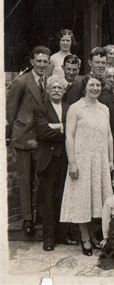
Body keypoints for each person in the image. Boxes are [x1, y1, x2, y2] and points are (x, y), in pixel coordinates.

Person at [60, 74, 114, 256]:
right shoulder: (76, 108)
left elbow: (109, 136)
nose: (95, 88)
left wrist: (111, 160)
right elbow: (69, 136)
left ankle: (92, 235)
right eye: (91, 85)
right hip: (82, 160)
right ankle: (84, 238)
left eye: (98, 85)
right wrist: (72, 161)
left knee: (95, 199)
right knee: (83, 200)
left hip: (100, 160)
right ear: (85, 87)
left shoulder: (104, 109)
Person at [7, 46, 50, 235]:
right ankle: (27, 219)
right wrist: (15, 136)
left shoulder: (50, 82)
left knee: (43, 179)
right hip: (25, 138)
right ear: (32, 62)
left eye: (45, 62)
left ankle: (40, 214)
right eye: (38, 61)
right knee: (26, 181)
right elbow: (10, 112)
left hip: (42, 140)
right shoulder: (22, 82)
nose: (41, 65)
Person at [33, 75, 77, 250]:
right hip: (48, 160)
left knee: (64, 197)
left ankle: (63, 235)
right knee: (48, 199)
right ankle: (49, 238)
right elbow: (43, 132)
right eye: (53, 88)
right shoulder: (39, 109)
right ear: (48, 90)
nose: (57, 90)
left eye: (60, 87)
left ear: (64, 90)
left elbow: (75, 131)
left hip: (66, 159)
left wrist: (56, 126)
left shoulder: (70, 108)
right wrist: (63, 129)